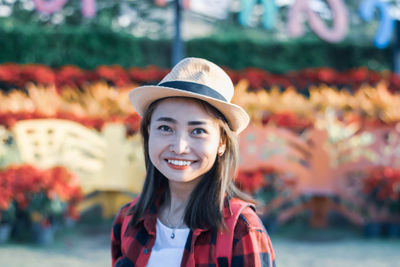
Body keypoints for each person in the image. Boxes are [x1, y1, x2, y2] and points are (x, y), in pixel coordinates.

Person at [111, 58, 276, 267]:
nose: (179, 147)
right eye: (165, 128)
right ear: (148, 133)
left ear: (222, 143)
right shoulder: (129, 219)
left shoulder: (241, 230)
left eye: (198, 131)